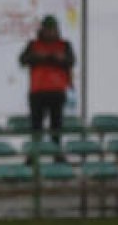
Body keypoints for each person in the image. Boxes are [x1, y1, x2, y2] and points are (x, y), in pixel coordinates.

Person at [19, 15, 76, 158]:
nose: (51, 32)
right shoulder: (33, 45)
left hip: (57, 91)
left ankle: (57, 155)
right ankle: (33, 157)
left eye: (53, 29)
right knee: (36, 127)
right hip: (38, 91)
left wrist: (59, 59)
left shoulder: (64, 45)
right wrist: (38, 57)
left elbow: (71, 61)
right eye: (48, 29)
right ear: (42, 30)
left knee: (56, 127)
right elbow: (22, 60)